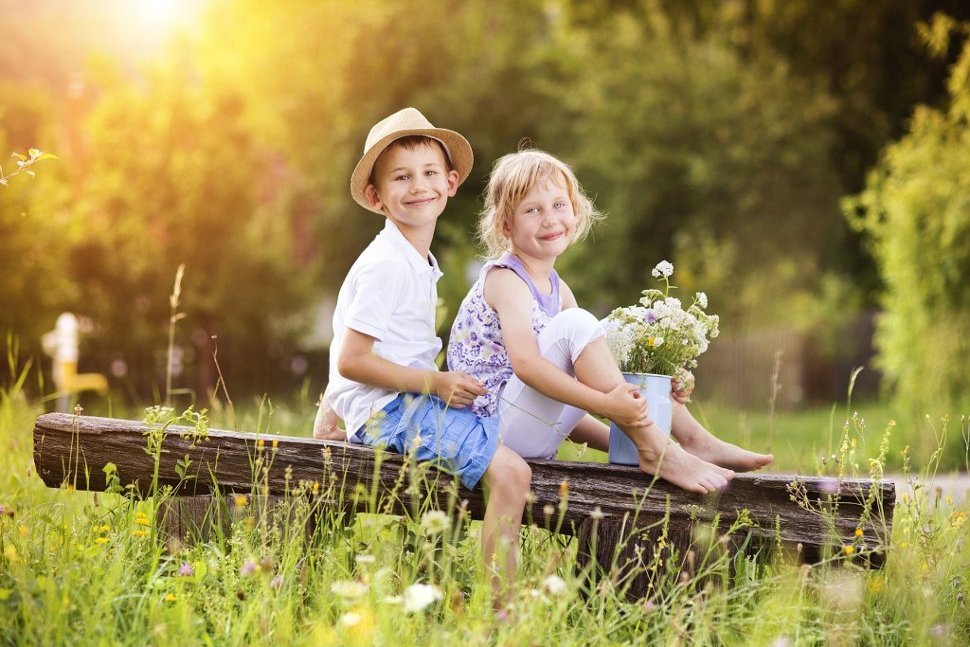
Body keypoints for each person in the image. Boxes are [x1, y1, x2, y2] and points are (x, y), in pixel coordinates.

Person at [447, 149, 772, 494]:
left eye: (559, 205)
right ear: (506, 225)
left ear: (575, 209)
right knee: (580, 325)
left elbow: (562, 403)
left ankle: (687, 439)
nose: (550, 219)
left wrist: (647, 404)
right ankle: (659, 449)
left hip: (525, 429)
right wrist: (606, 405)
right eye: (533, 210)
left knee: (619, 335)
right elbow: (527, 367)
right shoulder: (506, 279)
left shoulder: (558, 290)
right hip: (489, 434)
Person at [319, 108, 531, 599]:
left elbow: (363, 348)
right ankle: (502, 610)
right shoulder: (386, 265)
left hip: (397, 406)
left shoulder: (414, 259)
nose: (419, 186)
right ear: (376, 197)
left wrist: (330, 412)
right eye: (401, 177)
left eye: (430, 173)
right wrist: (434, 384)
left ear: (451, 182)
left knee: (509, 424)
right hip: (392, 412)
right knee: (514, 471)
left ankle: (436, 578)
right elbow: (351, 359)